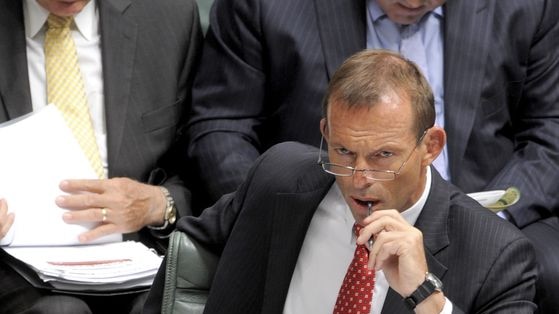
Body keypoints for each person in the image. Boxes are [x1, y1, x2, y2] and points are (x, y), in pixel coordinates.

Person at [186, 0, 559, 311]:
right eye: (344, 151)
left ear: (430, 147)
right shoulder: (276, 180)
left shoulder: (497, 257)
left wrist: (426, 296)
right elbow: (181, 261)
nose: (359, 178)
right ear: (325, 133)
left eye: (383, 155)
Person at [0, 0, 202, 313]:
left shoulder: (168, 17)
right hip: (14, 266)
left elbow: (200, 162)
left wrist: (157, 203)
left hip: (138, 255)